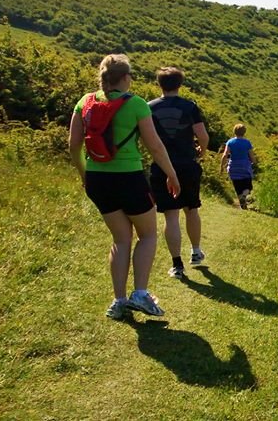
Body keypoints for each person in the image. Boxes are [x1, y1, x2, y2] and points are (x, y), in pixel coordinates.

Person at [68, 54, 180, 319]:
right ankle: (140, 294)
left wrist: (84, 173)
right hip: (129, 177)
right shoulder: (137, 105)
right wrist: (172, 174)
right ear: (126, 77)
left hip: (97, 180)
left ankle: (118, 301)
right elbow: (155, 146)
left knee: (120, 239)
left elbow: (73, 145)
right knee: (148, 235)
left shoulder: (85, 102)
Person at [148, 67, 210, 280]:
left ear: (159, 84)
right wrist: (201, 152)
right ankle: (195, 251)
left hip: (162, 166)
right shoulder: (189, 106)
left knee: (171, 215)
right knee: (192, 209)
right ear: (180, 84)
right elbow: (203, 135)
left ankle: (177, 264)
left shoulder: (150, 107)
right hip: (187, 164)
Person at [220, 124, 256, 209]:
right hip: (245, 167)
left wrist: (221, 167)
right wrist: (254, 162)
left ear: (234, 132)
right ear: (244, 132)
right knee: (248, 187)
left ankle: (243, 207)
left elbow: (225, 155)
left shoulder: (230, 142)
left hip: (233, 167)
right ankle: (244, 196)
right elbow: (251, 155)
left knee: (238, 188)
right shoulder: (247, 142)